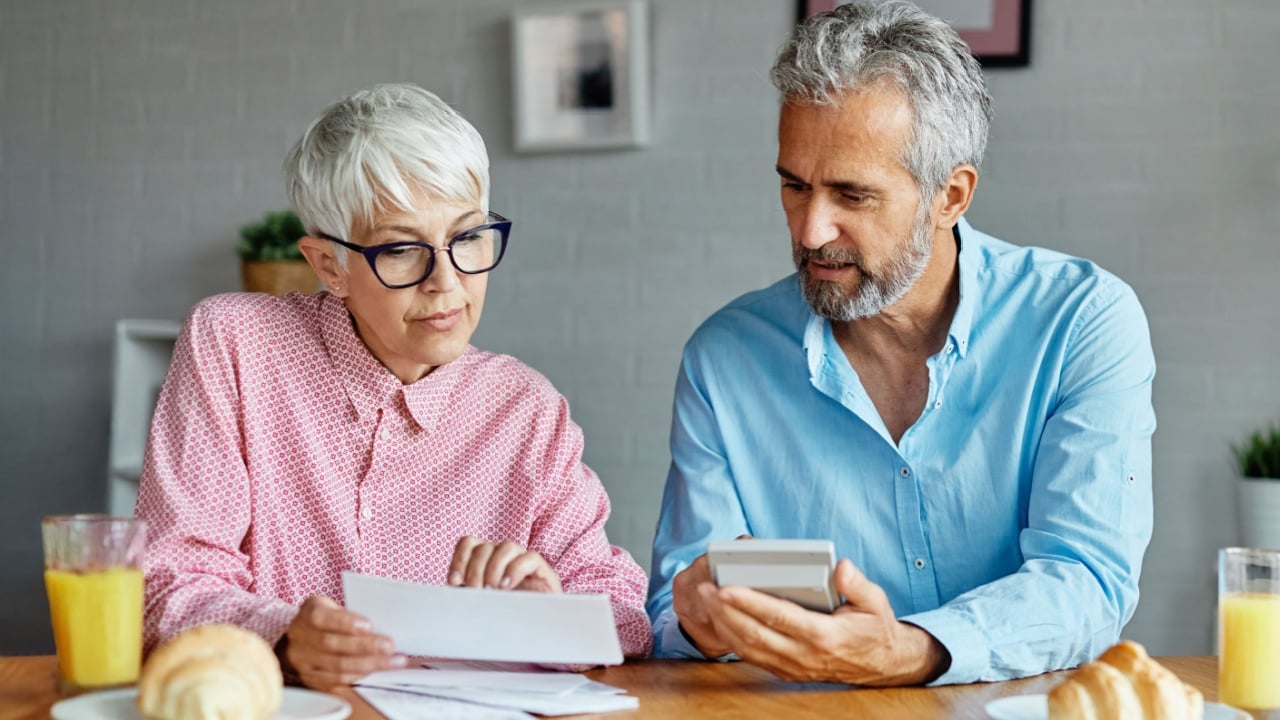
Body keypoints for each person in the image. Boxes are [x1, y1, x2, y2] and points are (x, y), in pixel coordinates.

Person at [646, 1, 1156, 687]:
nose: (810, 231)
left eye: (852, 196)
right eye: (794, 186)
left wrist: (906, 651)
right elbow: (673, 613)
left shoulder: (1081, 322)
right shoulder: (724, 359)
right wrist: (700, 623)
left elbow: (1088, 582)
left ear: (951, 196)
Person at [135, 83, 652, 690]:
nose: (446, 281)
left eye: (467, 238)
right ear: (329, 265)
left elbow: (624, 613)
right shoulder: (236, 344)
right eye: (403, 249)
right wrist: (283, 635)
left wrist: (552, 614)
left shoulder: (526, 409)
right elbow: (165, 583)